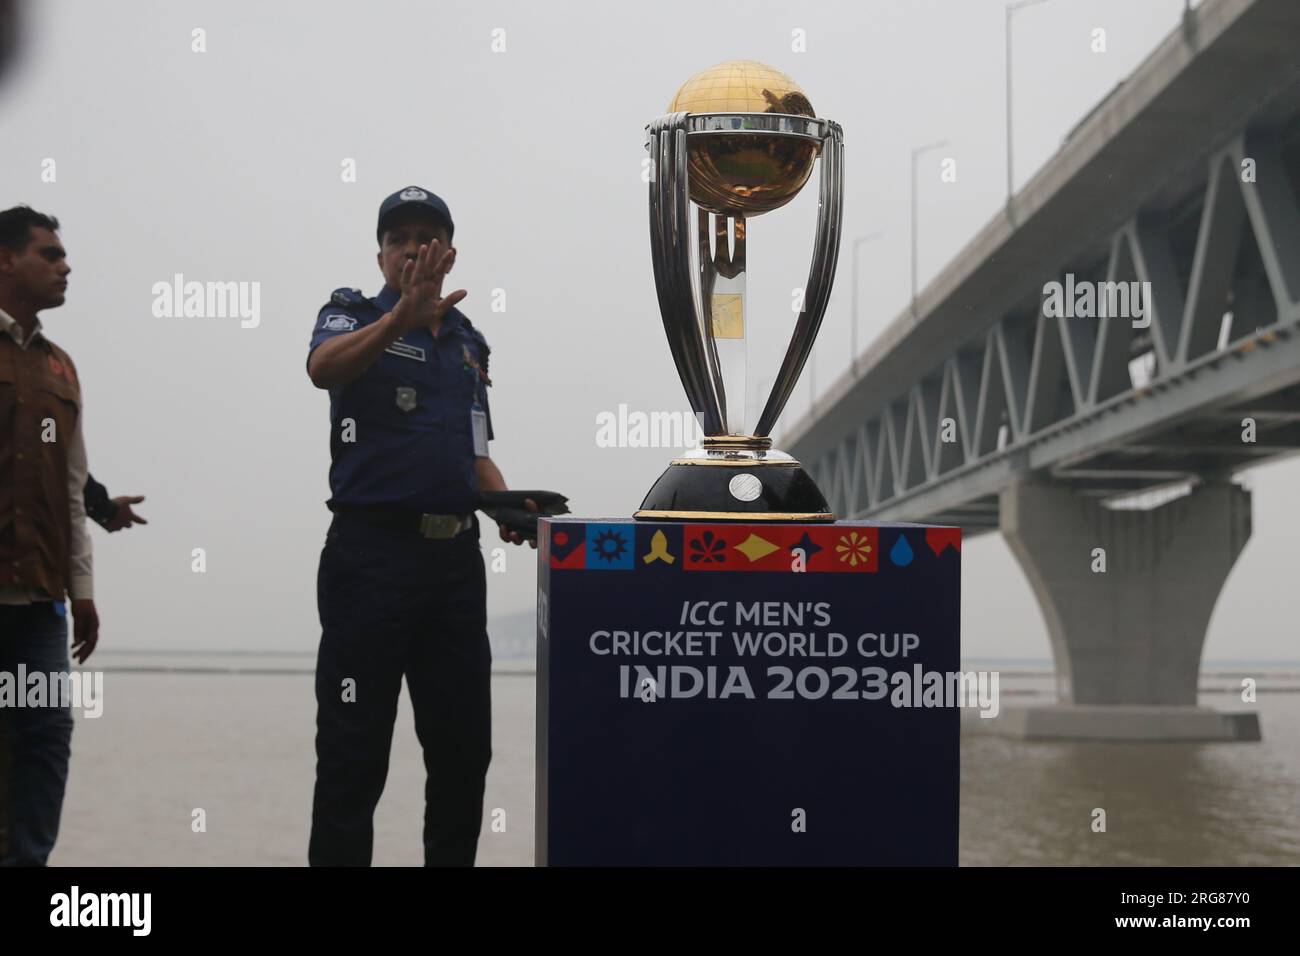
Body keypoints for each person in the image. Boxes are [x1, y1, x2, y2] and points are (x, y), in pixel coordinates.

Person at [306, 186, 532, 867]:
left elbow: (477, 455)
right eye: (398, 237)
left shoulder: (469, 343)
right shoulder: (349, 311)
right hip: (368, 562)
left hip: (454, 571)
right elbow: (323, 370)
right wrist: (399, 319)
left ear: (449, 255)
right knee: (353, 756)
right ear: (380, 252)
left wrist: (514, 508)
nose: (411, 248)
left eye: (425, 238)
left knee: (464, 754)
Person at [0, 205, 98, 866]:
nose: (65, 267)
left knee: (46, 738)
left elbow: (71, 485)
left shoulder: (62, 367)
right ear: (6, 260)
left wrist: (82, 588)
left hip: (41, 602)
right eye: (50, 255)